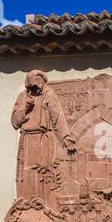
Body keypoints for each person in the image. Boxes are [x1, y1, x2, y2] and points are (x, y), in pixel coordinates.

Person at [11, 70, 76, 206]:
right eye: (30, 86)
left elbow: (58, 118)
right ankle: (28, 207)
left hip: (43, 140)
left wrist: (67, 139)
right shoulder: (23, 97)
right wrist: (26, 108)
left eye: (36, 85)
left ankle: (46, 208)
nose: (33, 89)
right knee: (27, 177)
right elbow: (14, 122)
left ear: (41, 81)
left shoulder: (49, 95)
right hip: (27, 140)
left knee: (44, 175)